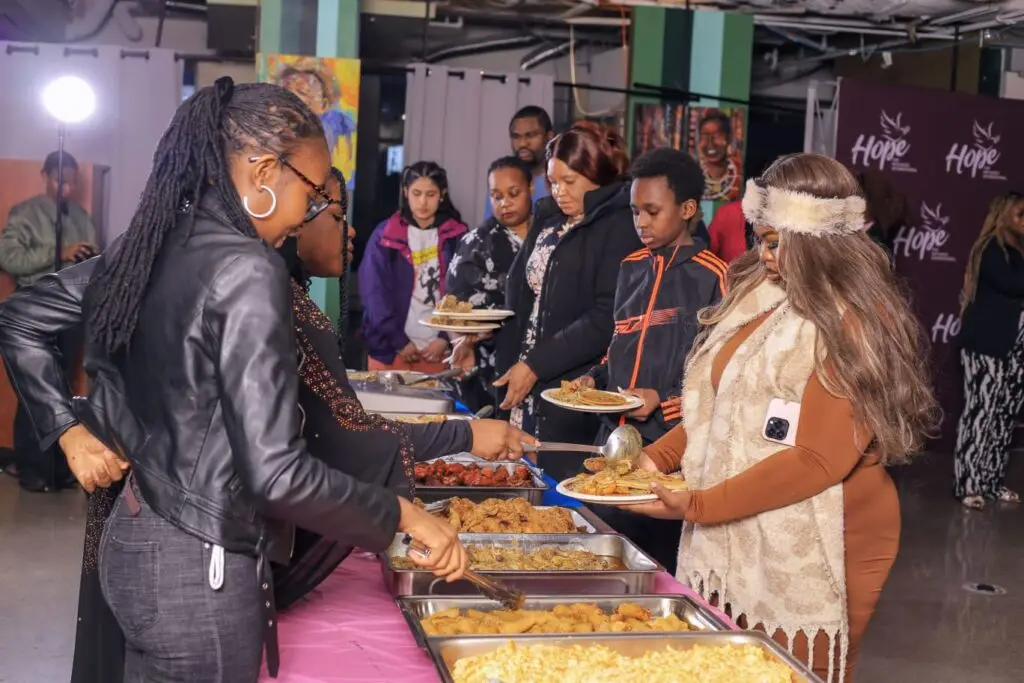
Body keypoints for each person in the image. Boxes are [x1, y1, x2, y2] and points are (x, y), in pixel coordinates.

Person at [0, 77, 468, 683]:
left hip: (133, 539)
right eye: (311, 193)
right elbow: (276, 474)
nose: (308, 216)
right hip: (200, 569)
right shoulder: (250, 270)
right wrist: (403, 515)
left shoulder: (151, 246)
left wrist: (68, 430)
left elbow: (19, 318)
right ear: (265, 171)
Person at [619, 154, 938, 682]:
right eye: (759, 238)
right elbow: (716, 409)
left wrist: (696, 505)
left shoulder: (854, 321)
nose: (762, 254)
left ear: (815, 239)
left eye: (773, 241)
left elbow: (816, 460)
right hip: (736, 515)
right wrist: (653, 459)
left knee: (791, 672)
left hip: (833, 534)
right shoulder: (758, 296)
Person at [574, 148, 726, 572]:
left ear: (688, 209)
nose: (640, 222)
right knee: (605, 558)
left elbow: (720, 372)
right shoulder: (630, 268)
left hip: (669, 448)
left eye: (652, 211)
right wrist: (594, 378)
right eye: (635, 211)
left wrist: (664, 400)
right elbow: (618, 345)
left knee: (656, 567)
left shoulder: (714, 276)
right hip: (611, 440)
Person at [495, 121, 642, 481]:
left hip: (570, 380)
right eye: (553, 182)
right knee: (518, 480)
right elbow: (523, 292)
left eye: (569, 181)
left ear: (595, 175)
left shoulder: (619, 225)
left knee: (558, 483)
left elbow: (605, 317)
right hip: (526, 374)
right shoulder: (549, 218)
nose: (559, 191)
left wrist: (536, 364)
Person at [0, 151, 98, 491]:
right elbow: (8, 257)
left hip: (70, 314)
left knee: (62, 389)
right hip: (33, 314)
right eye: (59, 181)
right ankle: (34, 470)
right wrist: (58, 253)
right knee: (35, 390)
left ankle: (59, 468)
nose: (66, 188)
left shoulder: (82, 217)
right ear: (44, 176)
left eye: (71, 182)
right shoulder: (25, 213)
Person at [359, 161, 468, 373]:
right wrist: (399, 341)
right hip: (391, 351)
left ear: (442, 194)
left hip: (439, 352)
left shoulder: (457, 236)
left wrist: (445, 337)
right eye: (416, 193)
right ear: (405, 192)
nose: (422, 202)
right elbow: (374, 293)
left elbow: (464, 291)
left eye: (430, 194)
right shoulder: (385, 235)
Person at [954, 191, 1024, 510]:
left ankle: (991, 482)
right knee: (980, 413)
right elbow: (1012, 284)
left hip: (1014, 350)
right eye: (1020, 214)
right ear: (1002, 215)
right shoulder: (990, 249)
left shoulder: (1019, 252)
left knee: (1004, 417)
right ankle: (968, 484)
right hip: (986, 346)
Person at [447, 156, 534, 410]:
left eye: (513, 194)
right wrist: (462, 342)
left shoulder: (551, 236)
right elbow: (452, 308)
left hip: (542, 363)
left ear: (530, 187)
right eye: (496, 196)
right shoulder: (476, 243)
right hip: (488, 366)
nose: (505, 203)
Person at [483, 106, 554, 220]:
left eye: (530, 135)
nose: (522, 144)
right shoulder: (500, 180)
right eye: (516, 137)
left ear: (549, 137)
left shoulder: (561, 183)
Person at [694, 109, 743, 201]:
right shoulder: (690, 175)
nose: (710, 143)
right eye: (704, 136)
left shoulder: (740, 173)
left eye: (716, 136)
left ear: (728, 139)